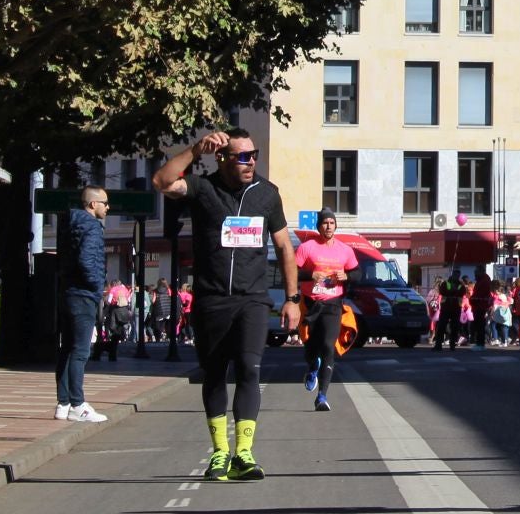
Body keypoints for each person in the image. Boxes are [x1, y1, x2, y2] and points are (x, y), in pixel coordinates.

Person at [152, 129, 302, 482]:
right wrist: (193, 150)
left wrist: (293, 299)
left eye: (254, 155)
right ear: (222, 158)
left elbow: (284, 249)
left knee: (249, 368)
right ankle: (220, 453)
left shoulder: (266, 194)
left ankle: (244, 453)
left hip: (252, 299)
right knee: (215, 373)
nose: (250, 162)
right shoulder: (203, 189)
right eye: (242, 157)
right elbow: (162, 180)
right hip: (212, 299)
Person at [55, 186, 109, 424]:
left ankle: (63, 403)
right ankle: (78, 404)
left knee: (67, 348)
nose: (107, 207)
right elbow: (87, 260)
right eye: (104, 203)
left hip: (68, 293)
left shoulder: (70, 226)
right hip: (84, 296)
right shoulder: (92, 227)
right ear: (91, 205)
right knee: (80, 351)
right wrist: (97, 285)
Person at [294, 208, 358, 411]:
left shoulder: (345, 250)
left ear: (335, 225)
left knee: (328, 346)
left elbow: (357, 272)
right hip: (311, 304)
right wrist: (309, 275)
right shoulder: (307, 247)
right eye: (324, 223)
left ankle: (322, 396)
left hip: (333, 303)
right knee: (311, 346)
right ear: (318, 226)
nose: (328, 226)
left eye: (331, 222)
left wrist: (347, 276)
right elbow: (292, 272)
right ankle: (312, 366)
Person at [94, 277, 132, 362]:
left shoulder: (113, 290)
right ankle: (112, 354)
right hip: (124, 313)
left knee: (109, 333)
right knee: (116, 335)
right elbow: (129, 301)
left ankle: (102, 350)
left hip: (114, 313)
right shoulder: (125, 289)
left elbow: (109, 301)